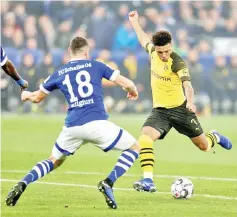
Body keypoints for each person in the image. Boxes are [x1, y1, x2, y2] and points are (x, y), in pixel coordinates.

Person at [5, 36, 140, 209]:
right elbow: (126, 82)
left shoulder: (59, 72)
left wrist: (27, 95)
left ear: (69, 51)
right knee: (134, 147)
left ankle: (23, 183)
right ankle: (108, 182)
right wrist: (132, 90)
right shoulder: (97, 65)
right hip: (97, 124)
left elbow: (37, 98)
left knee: (54, 160)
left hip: (72, 127)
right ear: (87, 51)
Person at [128, 11, 232, 193]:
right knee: (144, 138)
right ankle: (148, 181)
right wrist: (134, 21)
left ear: (171, 46)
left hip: (181, 110)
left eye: (167, 51)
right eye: (161, 52)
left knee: (204, 146)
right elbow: (142, 37)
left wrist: (190, 103)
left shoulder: (178, 62)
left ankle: (214, 136)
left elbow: (188, 86)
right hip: (160, 111)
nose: (163, 55)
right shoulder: (152, 52)